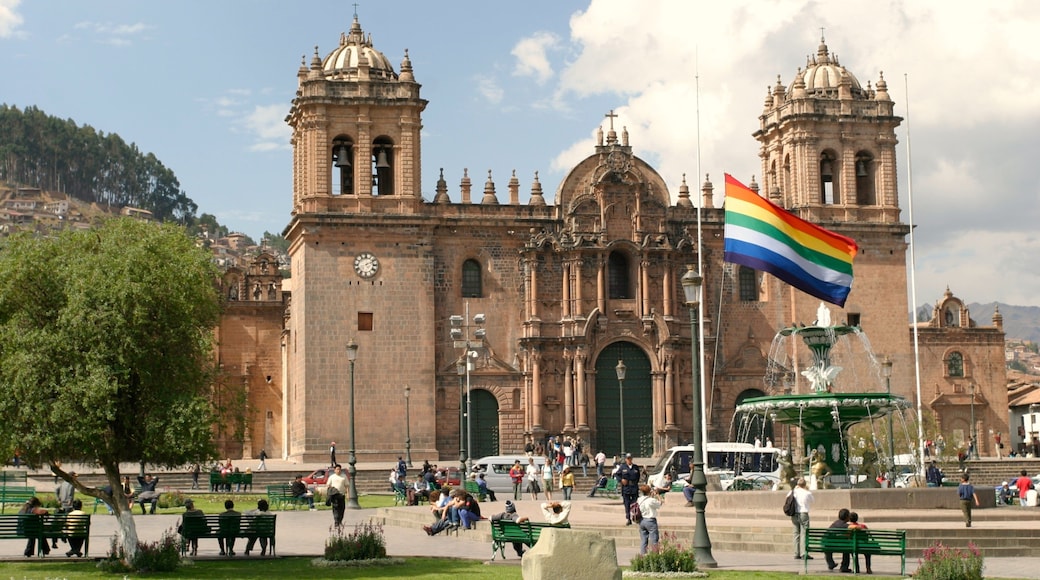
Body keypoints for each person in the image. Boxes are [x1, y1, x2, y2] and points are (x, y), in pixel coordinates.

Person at [790, 477, 814, 560]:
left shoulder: (793, 492)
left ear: (797, 484)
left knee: (796, 533)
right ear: (805, 484)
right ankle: (804, 553)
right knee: (804, 533)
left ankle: (796, 553)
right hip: (803, 513)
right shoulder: (807, 493)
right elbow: (812, 501)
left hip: (794, 514)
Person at [636, 484, 663, 555]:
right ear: (649, 491)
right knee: (654, 539)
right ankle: (655, 555)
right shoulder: (651, 500)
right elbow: (659, 504)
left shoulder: (639, 499)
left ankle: (643, 555)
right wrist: (657, 495)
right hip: (650, 521)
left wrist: (651, 495)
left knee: (643, 540)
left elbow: (647, 500)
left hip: (642, 520)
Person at [617, 453, 641, 526]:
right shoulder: (622, 467)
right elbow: (617, 475)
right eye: (627, 458)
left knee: (635, 504)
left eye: (630, 458)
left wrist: (635, 483)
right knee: (627, 504)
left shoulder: (635, 467)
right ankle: (628, 518)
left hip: (634, 487)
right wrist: (621, 480)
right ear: (626, 459)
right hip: (626, 488)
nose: (629, 460)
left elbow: (638, 476)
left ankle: (635, 517)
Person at [824, 508, 851, 573]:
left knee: (827, 546)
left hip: (829, 545)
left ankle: (831, 563)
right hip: (841, 546)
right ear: (847, 517)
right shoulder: (847, 526)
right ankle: (844, 567)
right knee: (847, 548)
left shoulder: (834, 524)